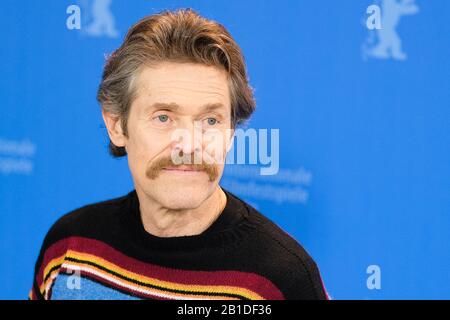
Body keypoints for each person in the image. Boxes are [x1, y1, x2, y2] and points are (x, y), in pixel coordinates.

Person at [29, 8, 329, 300]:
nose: (188, 145)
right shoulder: (69, 250)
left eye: (210, 121)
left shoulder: (278, 281)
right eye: (163, 117)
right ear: (117, 125)